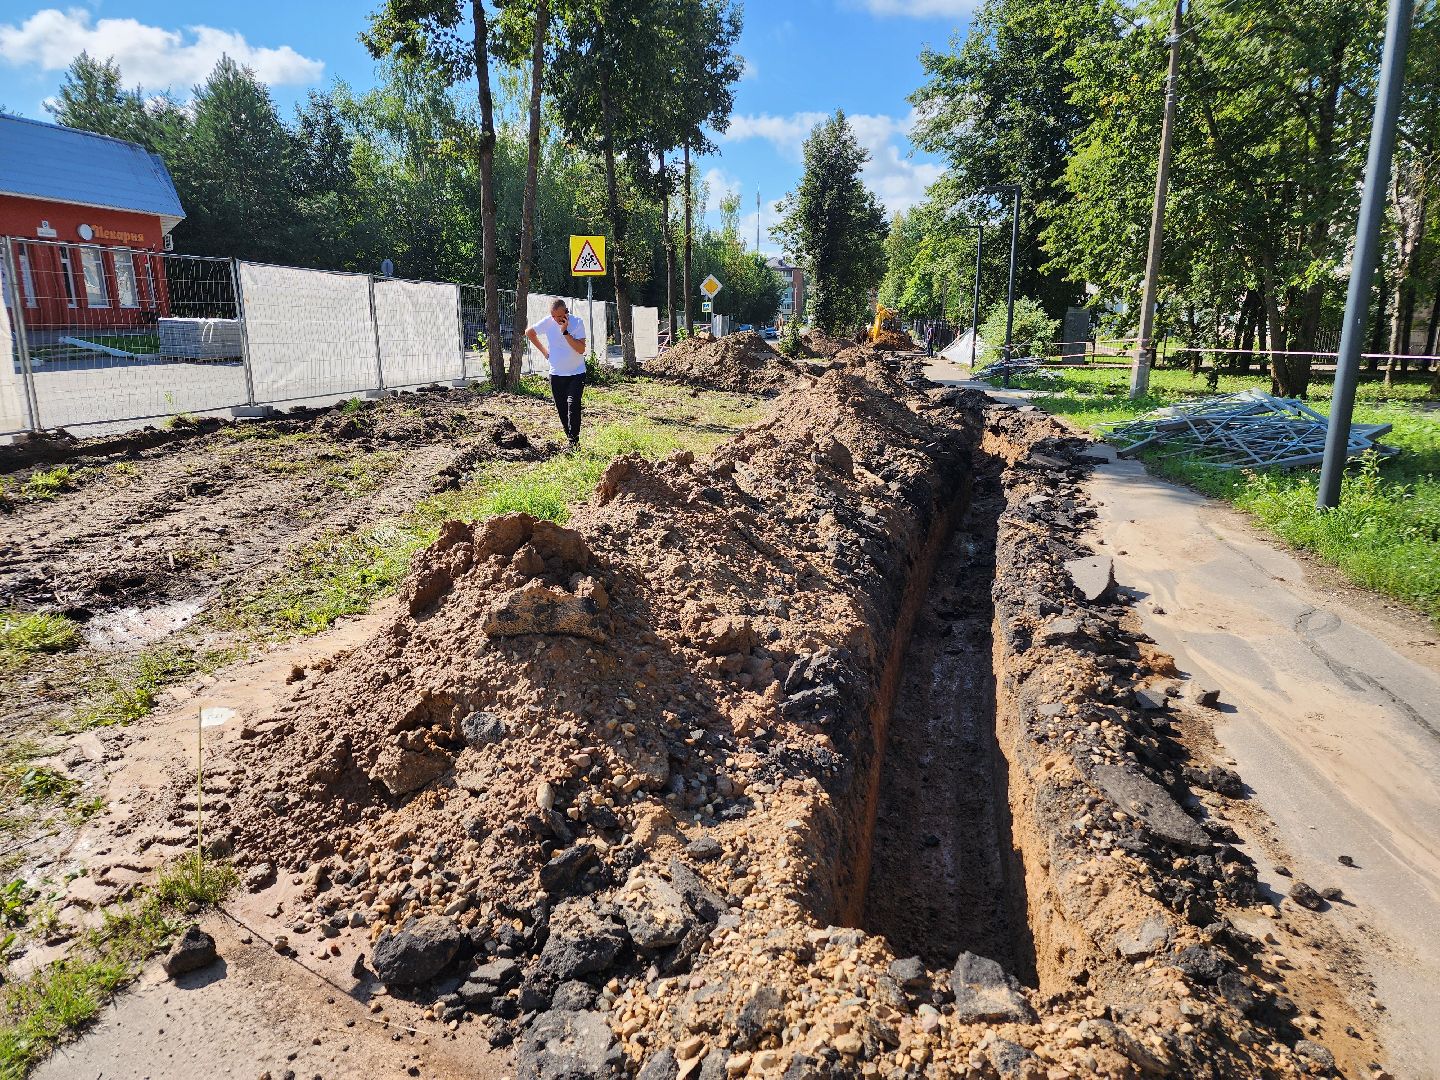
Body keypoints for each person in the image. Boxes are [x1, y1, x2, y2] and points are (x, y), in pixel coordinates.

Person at [526, 299, 588, 449]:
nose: (556, 319)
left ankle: (574, 442)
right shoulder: (548, 322)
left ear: (566, 312)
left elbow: (581, 349)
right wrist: (545, 352)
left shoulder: (577, 322)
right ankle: (571, 441)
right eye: (553, 316)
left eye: (559, 316)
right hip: (556, 374)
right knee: (561, 409)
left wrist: (565, 332)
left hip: (576, 373)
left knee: (573, 406)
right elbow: (529, 333)